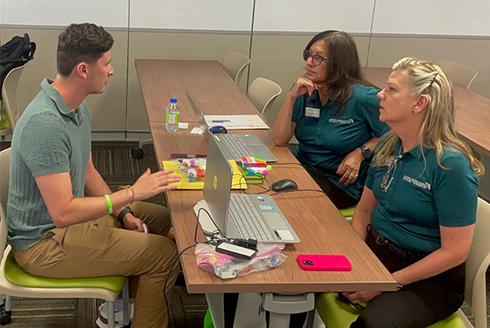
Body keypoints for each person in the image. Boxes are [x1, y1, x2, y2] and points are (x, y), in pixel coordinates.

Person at [7, 23, 181, 328]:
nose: (111, 70)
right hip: (43, 244)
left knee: (162, 219)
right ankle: (135, 313)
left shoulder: (76, 107)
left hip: (67, 223)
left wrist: (125, 211)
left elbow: (87, 171)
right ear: (84, 70)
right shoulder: (44, 123)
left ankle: (119, 309)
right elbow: (62, 213)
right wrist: (130, 194)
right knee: (163, 254)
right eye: (107, 63)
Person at [337, 57, 484, 327]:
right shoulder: (389, 145)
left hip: (428, 278)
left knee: (372, 325)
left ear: (419, 103)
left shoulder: (449, 165)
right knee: (300, 279)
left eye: (392, 90)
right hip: (378, 253)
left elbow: (455, 253)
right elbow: (365, 210)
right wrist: (359, 260)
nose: (380, 94)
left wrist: (385, 284)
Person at [272, 30, 390, 209]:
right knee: (261, 183)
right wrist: (290, 97)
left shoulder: (363, 98)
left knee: (282, 202)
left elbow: (395, 133)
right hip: (301, 165)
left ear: (338, 64)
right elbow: (279, 140)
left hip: (337, 183)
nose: (309, 61)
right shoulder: (304, 91)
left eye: (319, 57)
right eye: (309, 54)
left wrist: (361, 152)